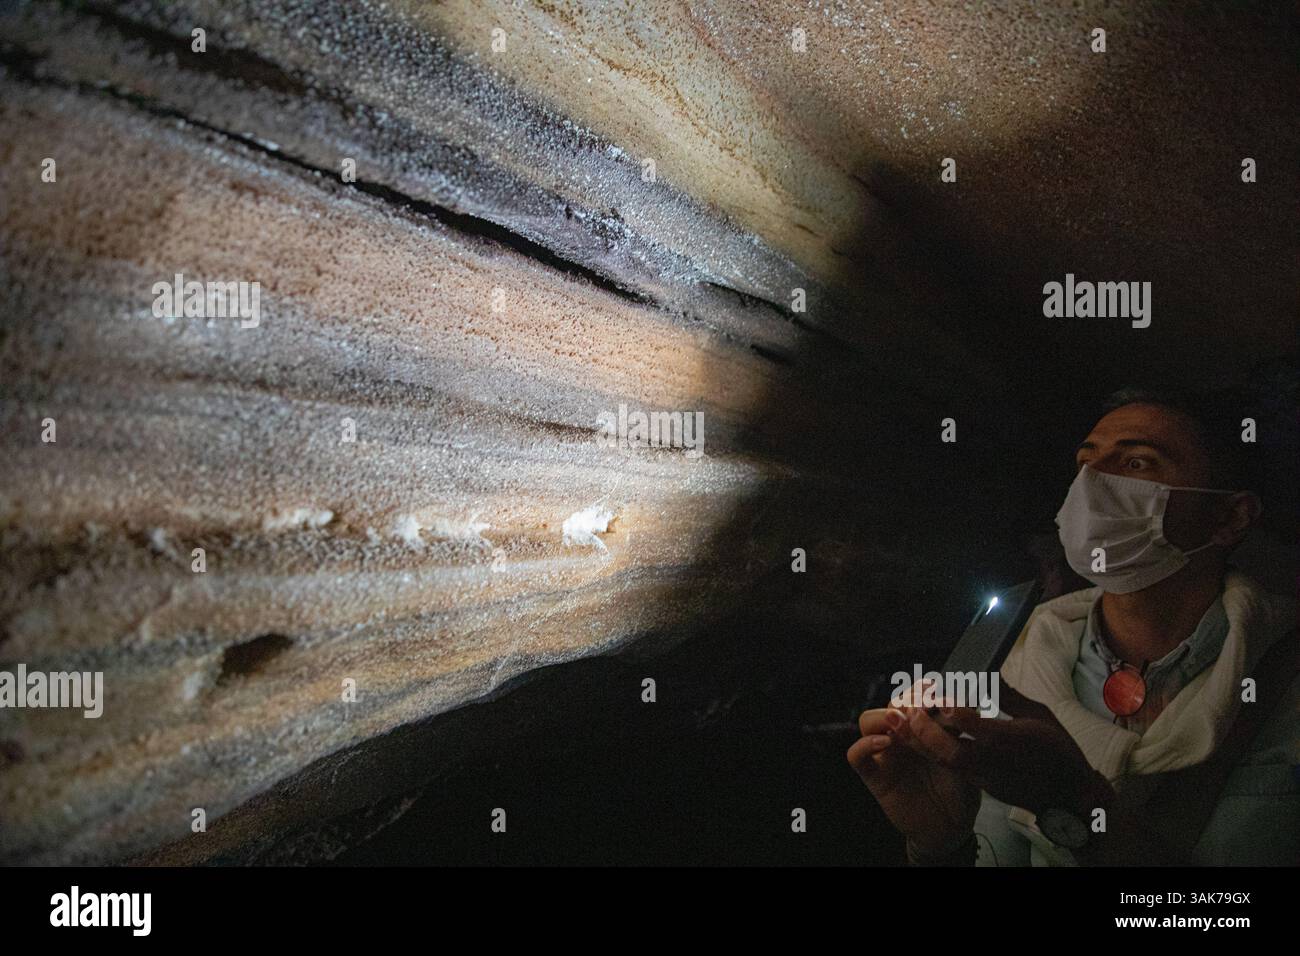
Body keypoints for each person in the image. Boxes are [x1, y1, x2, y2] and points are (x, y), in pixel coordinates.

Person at [847, 389, 1299, 865]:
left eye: (1138, 463)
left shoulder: (1281, 684)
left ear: (1230, 517)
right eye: (1086, 462)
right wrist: (942, 845)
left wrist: (1072, 801)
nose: (1092, 482)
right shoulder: (1019, 665)